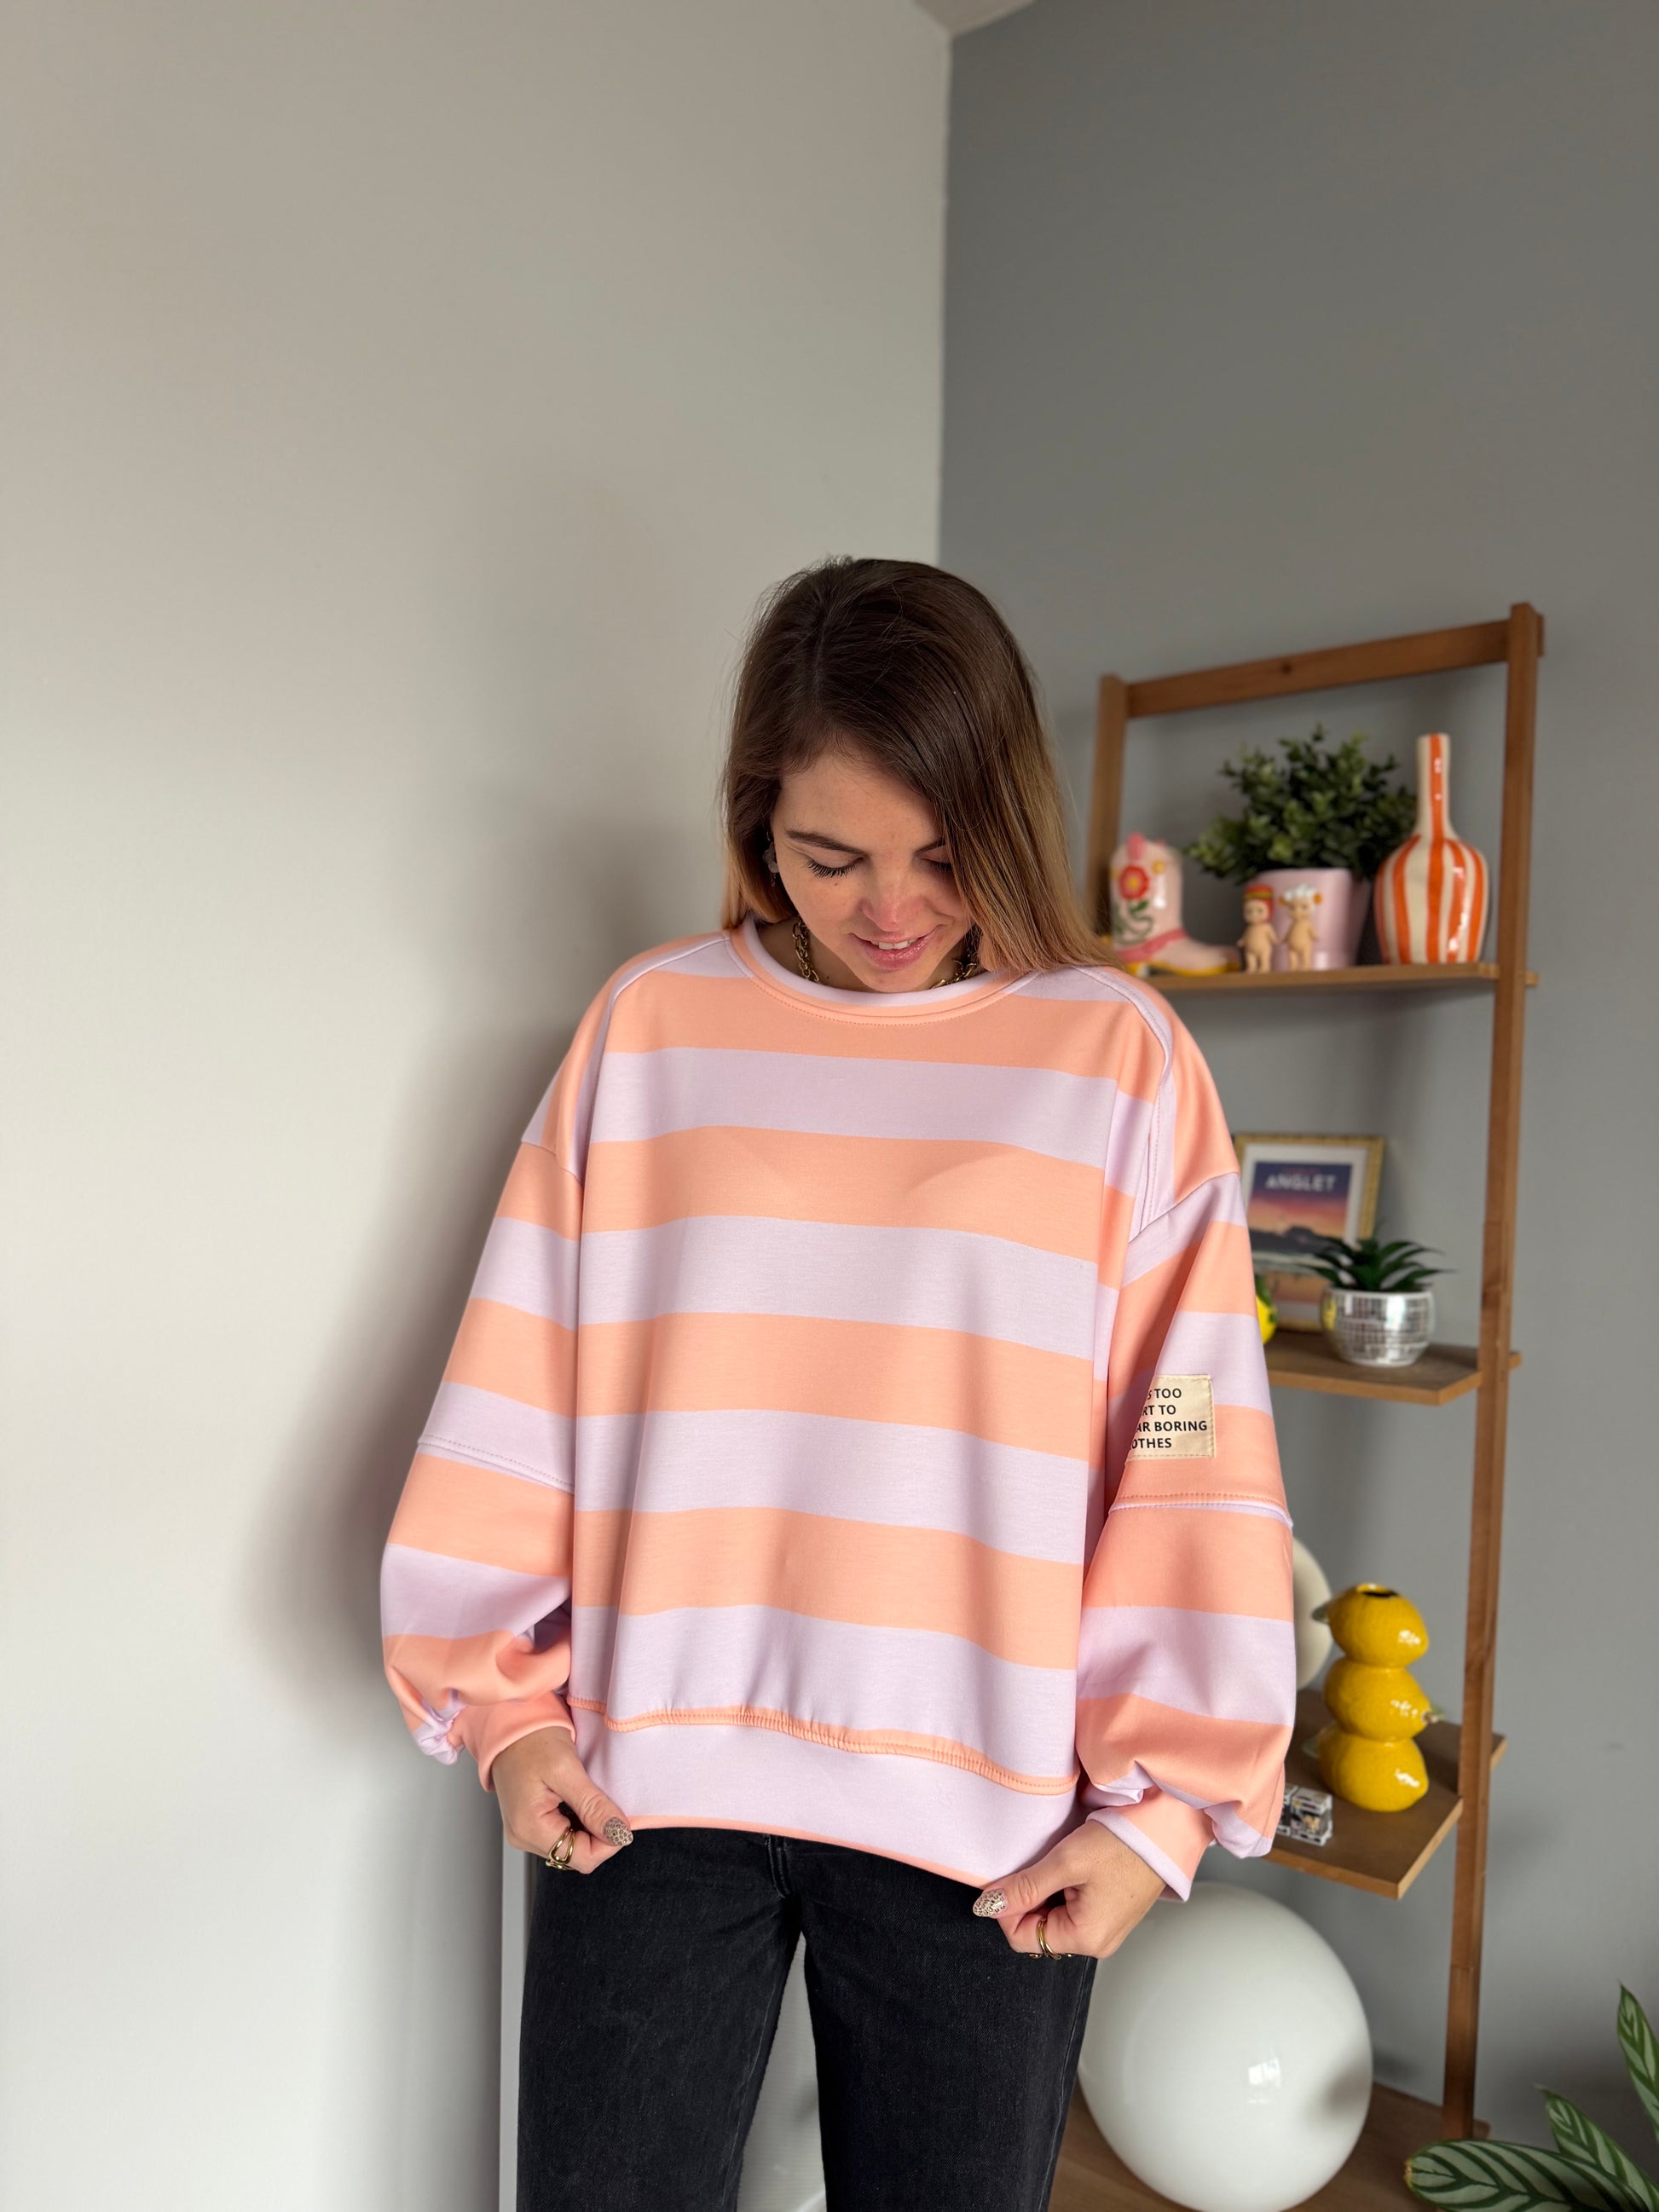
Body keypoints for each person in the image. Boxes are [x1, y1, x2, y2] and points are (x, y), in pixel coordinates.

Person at [379, 557, 1296, 2212]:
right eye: (830, 856)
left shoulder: (1117, 1059)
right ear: (755, 824)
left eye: (941, 855)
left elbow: (1185, 1420)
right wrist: (506, 1713)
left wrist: (1157, 1813)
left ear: (1004, 818)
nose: (890, 910)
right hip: (642, 1795)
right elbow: (526, 1367)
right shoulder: (650, 1030)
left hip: (988, 1830)